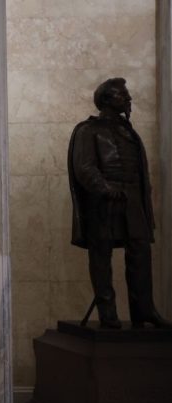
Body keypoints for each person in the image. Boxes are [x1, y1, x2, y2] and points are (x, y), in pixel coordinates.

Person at [68, 77, 170, 329]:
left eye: (126, 95)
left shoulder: (129, 132)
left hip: (133, 200)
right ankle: (108, 311)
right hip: (104, 204)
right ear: (105, 100)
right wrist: (104, 188)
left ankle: (144, 310)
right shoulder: (87, 130)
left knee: (140, 251)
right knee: (101, 256)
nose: (127, 99)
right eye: (121, 95)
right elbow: (84, 167)